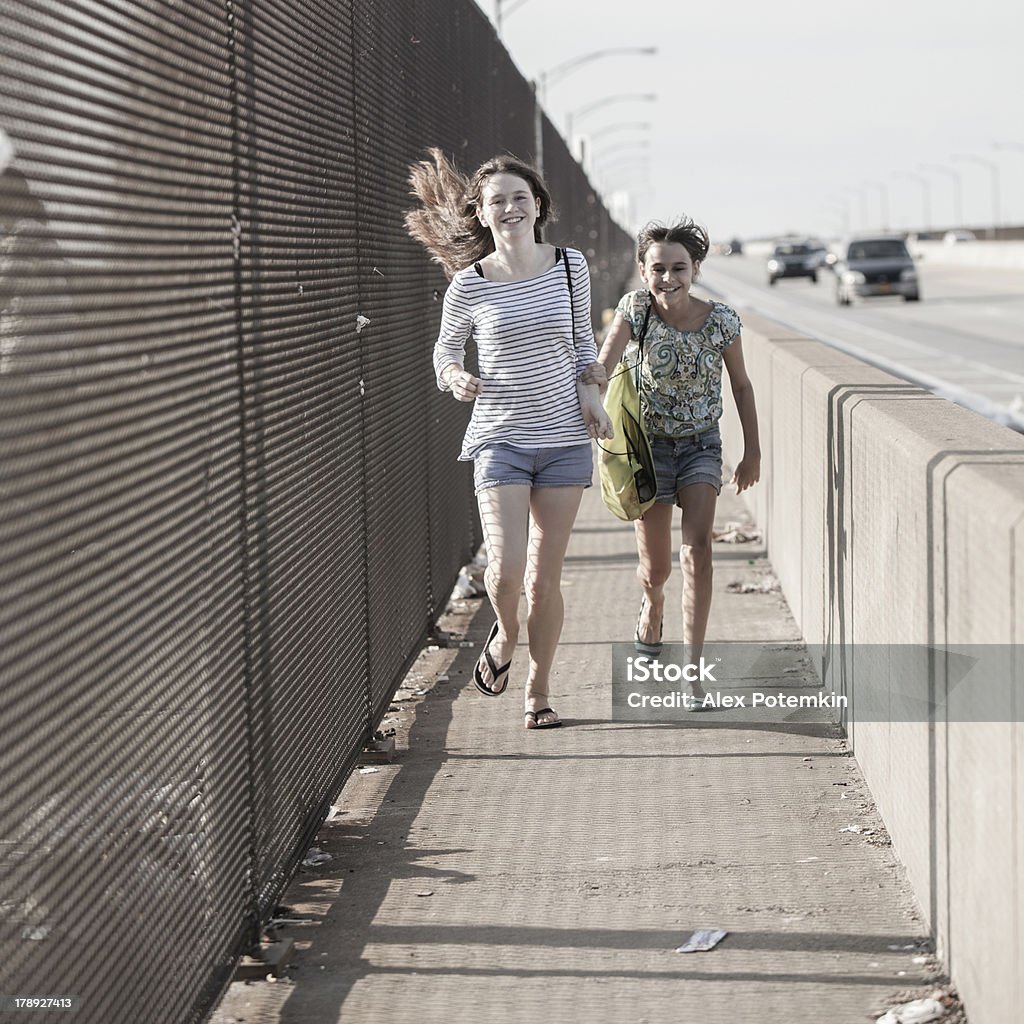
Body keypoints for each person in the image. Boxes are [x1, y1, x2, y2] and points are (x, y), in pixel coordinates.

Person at [405, 149, 613, 730]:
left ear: (538, 205)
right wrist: (454, 376)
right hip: (500, 436)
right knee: (504, 570)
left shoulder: (570, 266)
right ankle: (504, 637)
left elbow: (582, 345)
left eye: (520, 197)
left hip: (565, 437)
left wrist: (593, 397)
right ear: (482, 212)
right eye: (497, 200)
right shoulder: (468, 286)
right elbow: (445, 351)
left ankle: (538, 690)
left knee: (545, 580)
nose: (510, 207)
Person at [585, 219, 760, 708]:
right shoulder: (636, 310)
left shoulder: (722, 321)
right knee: (656, 568)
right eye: (658, 268)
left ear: (696, 269)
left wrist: (753, 451)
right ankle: (654, 602)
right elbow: (605, 361)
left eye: (678, 268)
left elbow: (742, 386)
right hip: (648, 448)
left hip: (702, 445)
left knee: (698, 553)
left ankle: (693, 672)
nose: (668, 278)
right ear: (643, 271)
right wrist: (593, 398)